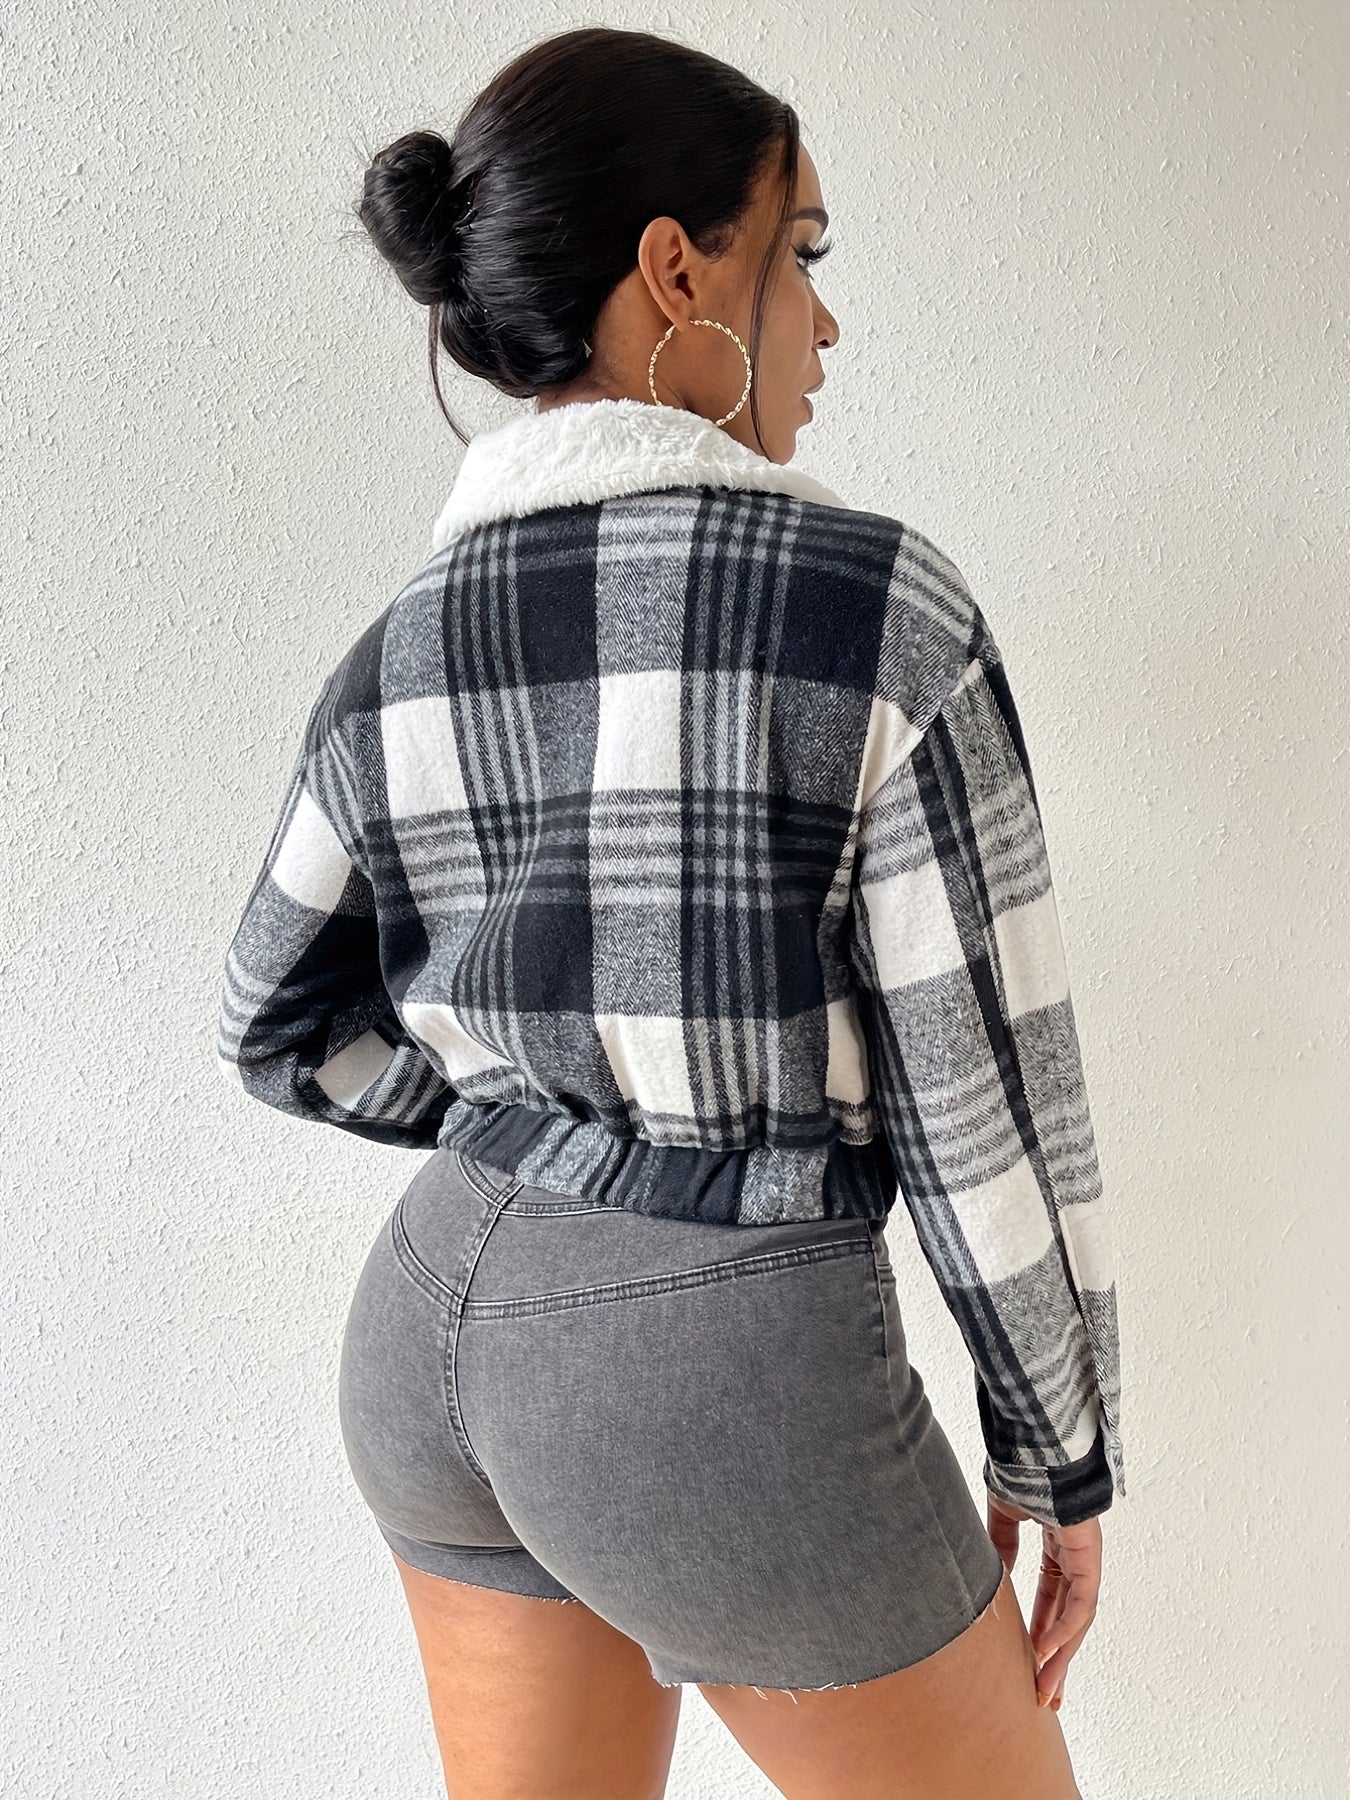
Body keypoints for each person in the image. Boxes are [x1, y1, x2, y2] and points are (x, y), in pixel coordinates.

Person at [216, 26, 1125, 1800]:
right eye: (803, 255)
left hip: (427, 1332)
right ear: (675, 272)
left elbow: (274, 1016)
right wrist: (1055, 1448)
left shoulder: (402, 647)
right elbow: (978, 1090)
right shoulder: (870, 611)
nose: (824, 325)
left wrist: (525, 1122)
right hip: (708, 1371)